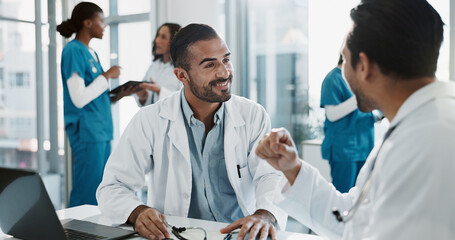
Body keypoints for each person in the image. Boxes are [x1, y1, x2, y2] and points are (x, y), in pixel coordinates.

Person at [256, 0, 455, 239]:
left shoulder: (428, 141)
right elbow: (354, 218)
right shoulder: (417, 125)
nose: (343, 70)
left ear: (364, 66)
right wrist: (294, 169)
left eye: (345, 59)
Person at [97, 23, 287, 240]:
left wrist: (265, 214)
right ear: (181, 75)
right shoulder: (149, 120)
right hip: (177, 235)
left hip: (238, 235)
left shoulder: (252, 115)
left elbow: (271, 174)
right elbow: (112, 187)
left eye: (226, 59)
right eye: (209, 65)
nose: (224, 72)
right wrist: (137, 212)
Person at [57, 2, 135, 207]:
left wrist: (117, 96)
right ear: (88, 22)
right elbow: (79, 98)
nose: (105, 26)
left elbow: (94, 94)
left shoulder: (92, 53)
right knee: (86, 191)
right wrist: (107, 75)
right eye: (101, 20)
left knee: (101, 189)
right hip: (87, 132)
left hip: (100, 131)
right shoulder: (73, 50)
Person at [320, 54, 380, 193]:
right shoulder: (333, 79)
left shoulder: (360, 79)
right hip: (344, 150)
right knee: (343, 196)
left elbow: (361, 112)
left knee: (361, 197)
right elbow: (332, 115)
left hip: (364, 147)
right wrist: (360, 97)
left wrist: (377, 115)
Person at [135, 23, 182, 106]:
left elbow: (183, 101)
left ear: (174, 41)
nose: (157, 40)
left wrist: (159, 91)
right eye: (158, 36)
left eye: (163, 37)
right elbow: (147, 104)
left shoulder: (182, 69)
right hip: (151, 116)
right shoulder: (153, 66)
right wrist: (143, 98)